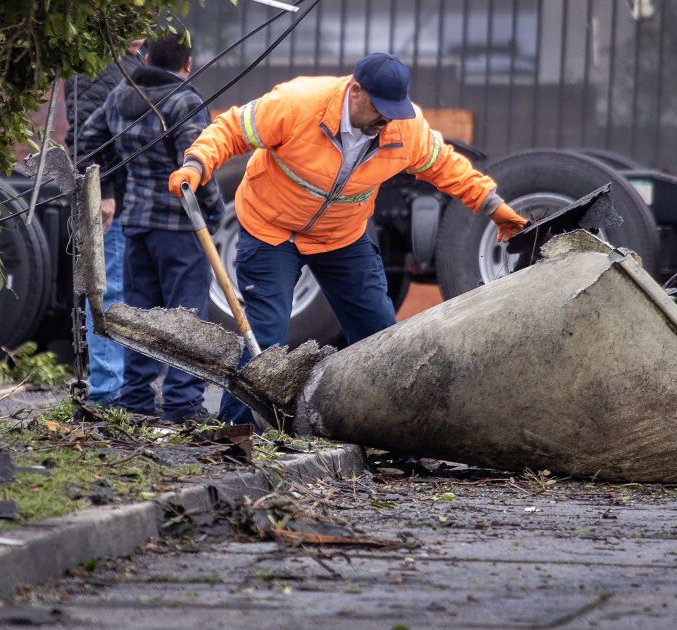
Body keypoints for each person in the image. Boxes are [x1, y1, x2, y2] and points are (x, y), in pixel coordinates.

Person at [169, 52, 530, 426]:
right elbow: (230, 130)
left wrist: (494, 206)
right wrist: (196, 164)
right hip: (270, 231)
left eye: (394, 110)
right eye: (380, 108)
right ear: (355, 91)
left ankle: (386, 430)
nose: (386, 119)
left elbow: (447, 167)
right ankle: (239, 430)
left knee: (380, 336)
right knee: (264, 337)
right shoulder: (298, 104)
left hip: (341, 238)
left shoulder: (404, 129)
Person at [78, 31, 225, 424]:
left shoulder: (121, 97)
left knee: (140, 315)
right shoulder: (185, 101)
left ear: (146, 57)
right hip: (180, 229)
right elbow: (196, 166)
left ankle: (137, 399)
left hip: (136, 226)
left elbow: (89, 140)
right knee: (187, 316)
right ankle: (182, 404)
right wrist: (215, 212)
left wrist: (110, 184)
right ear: (187, 64)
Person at [63, 40, 144, 407]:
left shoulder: (129, 60)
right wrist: (105, 191)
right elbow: (84, 136)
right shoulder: (95, 64)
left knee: (121, 291)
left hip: (131, 195)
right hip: (110, 198)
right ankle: (108, 391)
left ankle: (120, 387)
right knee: (107, 292)